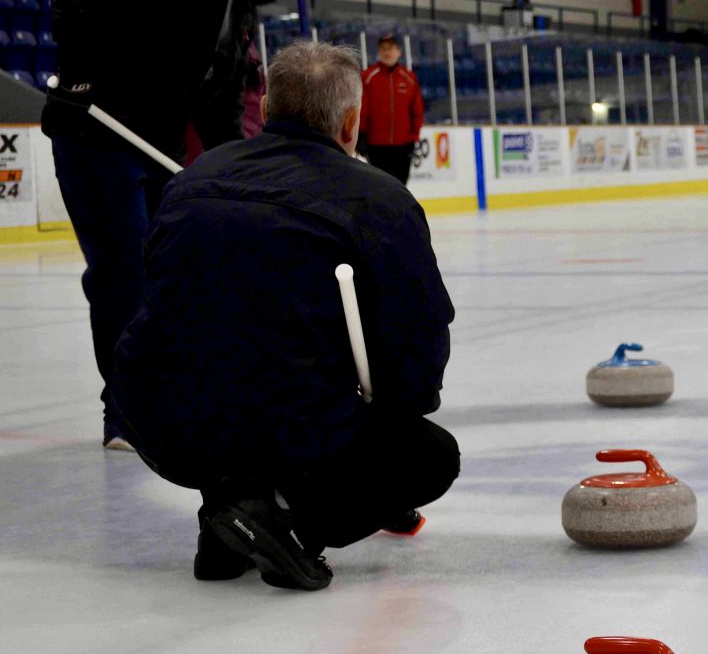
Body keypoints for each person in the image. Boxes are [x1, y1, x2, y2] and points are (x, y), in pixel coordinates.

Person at [113, 42, 458, 591]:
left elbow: (159, 302)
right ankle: (288, 525)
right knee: (429, 458)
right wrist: (391, 422)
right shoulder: (378, 200)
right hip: (278, 421)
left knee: (239, 378)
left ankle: (228, 518)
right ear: (351, 122)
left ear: (267, 109)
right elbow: (418, 341)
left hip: (154, 420)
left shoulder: (194, 177)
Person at [42, 0, 318, 451]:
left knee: (172, 269)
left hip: (155, 146)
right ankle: (125, 413)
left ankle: (163, 394)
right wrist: (81, 73)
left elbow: (218, 98)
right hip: (98, 135)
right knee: (124, 270)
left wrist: (235, 171)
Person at [359, 34, 424, 184]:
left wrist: (414, 138)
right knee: (380, 187)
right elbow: (362, 109)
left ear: (399, 51)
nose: (386, 52)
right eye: (383, 49)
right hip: (376, 146)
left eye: (390, 48)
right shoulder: (368, 77)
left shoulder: (409, 78)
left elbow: (417, 110)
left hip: (403, 146)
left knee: (400, 187)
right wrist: (361, 135)